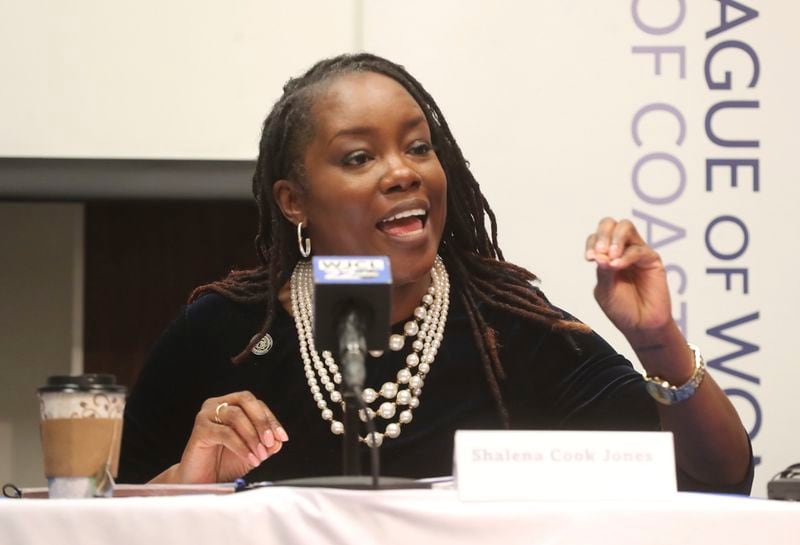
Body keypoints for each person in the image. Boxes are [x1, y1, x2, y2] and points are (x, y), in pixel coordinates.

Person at [119, 53, 752, 492]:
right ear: (293, 201)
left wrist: (657, 340)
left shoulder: (511, 331)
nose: (403, 172)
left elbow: (714, 479)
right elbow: (99, 518)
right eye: (360, 156)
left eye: (419, 147)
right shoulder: (219, 335)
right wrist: (187, 481)